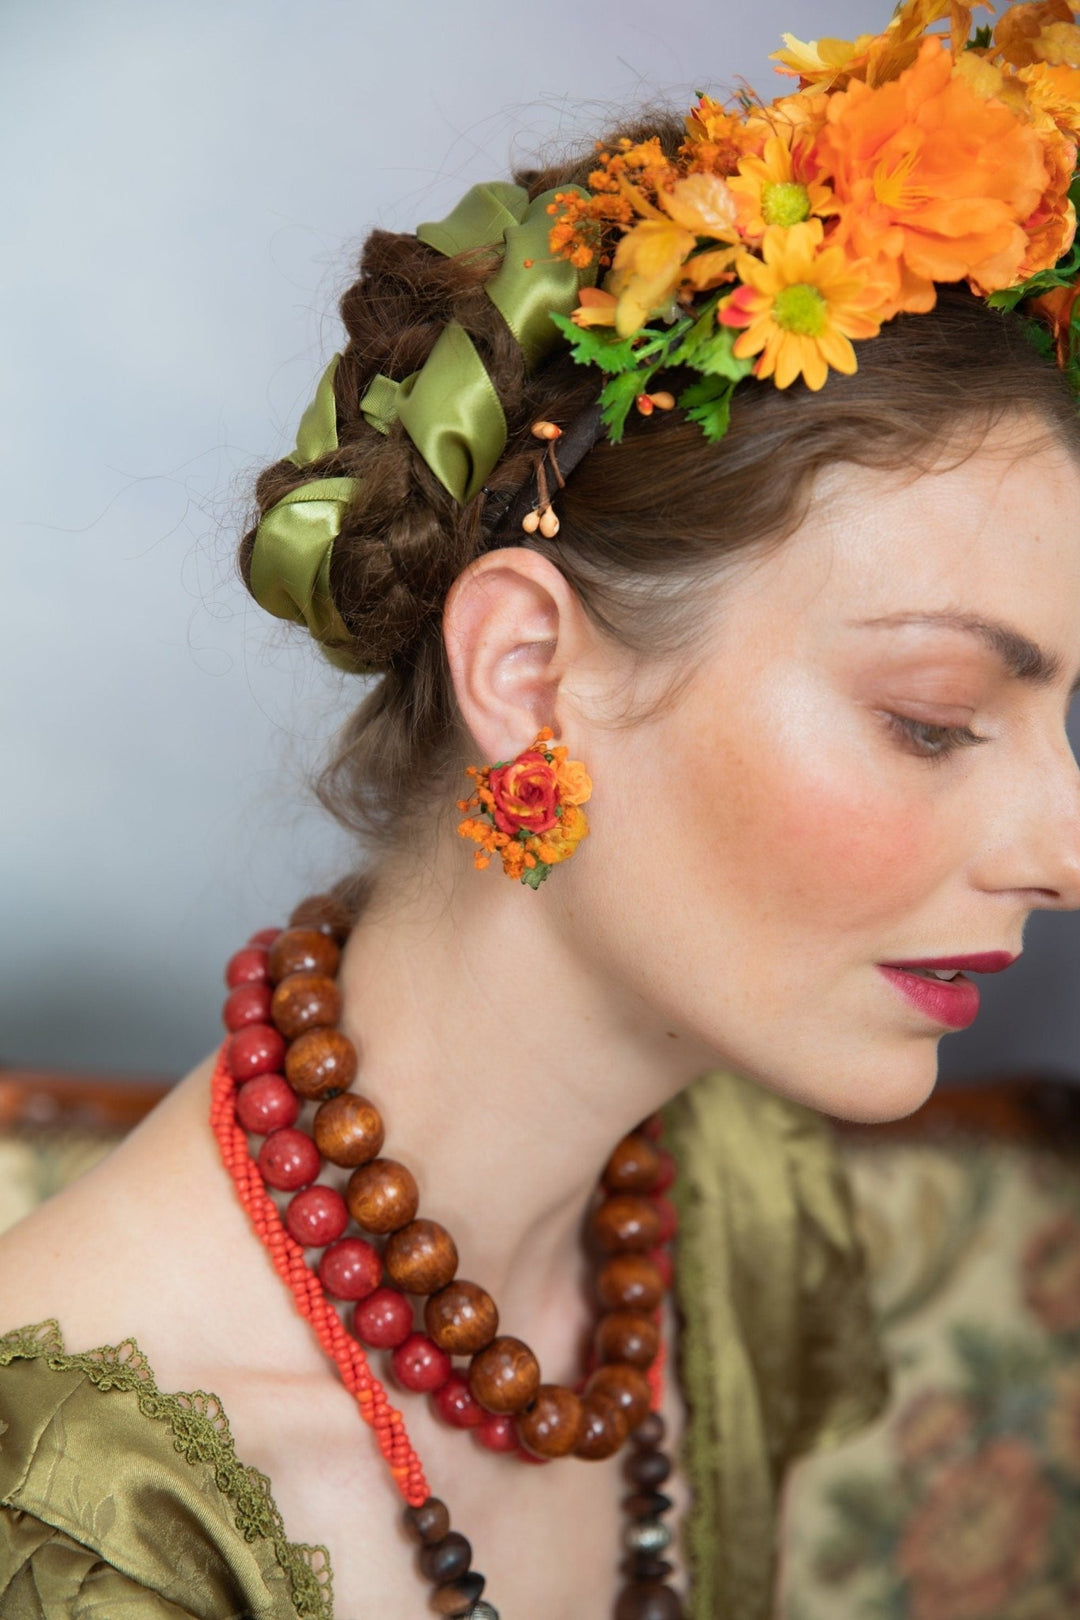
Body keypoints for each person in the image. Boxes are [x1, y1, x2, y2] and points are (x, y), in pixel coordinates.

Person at [4, 3, 1080, 1616]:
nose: (1063, 853)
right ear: (524, 671)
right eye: (932, 722)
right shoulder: (84, 1523)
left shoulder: (732, 1223)